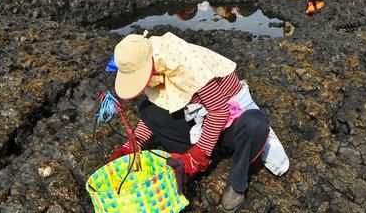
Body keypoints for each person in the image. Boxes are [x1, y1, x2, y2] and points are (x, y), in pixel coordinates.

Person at [107, 32, 289, 212]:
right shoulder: (156, 64)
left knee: (255, 123)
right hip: (198, 120)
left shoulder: (187, 64)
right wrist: (132, 146)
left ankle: (237, 183)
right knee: (148, 109)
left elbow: (219, 112)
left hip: (229, 124)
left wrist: (197, 155)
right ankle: (189, 162)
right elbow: (158, 107)